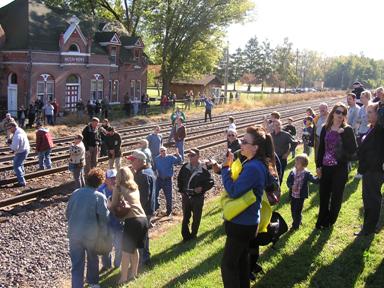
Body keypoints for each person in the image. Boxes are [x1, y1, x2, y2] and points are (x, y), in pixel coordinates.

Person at [220, 126, 272, 288]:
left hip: (241, 224)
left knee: (228, 265)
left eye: (244, 141)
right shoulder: (256, 164)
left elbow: (234, 191)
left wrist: (225, 169)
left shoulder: (253, 167)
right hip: (248, 222)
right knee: (242, 264)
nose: (241, 144)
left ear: (255, 147)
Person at [316, 103, 357, 229]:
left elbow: (353, 149)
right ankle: (321, 219)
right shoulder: (325, 128)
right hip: (326, 167)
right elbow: (321, 148)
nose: (340, 115)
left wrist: (342, 134)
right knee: (324, 195)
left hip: (340, 168)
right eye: (338, 112)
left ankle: (330, 220)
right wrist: (318, 166)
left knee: (336, 196)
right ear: (333, 113)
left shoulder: (347, 129)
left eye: (343, 113)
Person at [66, 167, 109, 288]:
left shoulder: (76, 193)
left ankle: (76, 285)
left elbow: (68, 213)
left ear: (87, 179)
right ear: (100, 182)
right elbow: (104, 219)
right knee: (92, 260)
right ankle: (93, 283)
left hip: (74, 234)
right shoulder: (99, 197)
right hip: (91, 236)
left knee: (77, 264)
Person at [110, 167, 148, 284]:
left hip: (132, 221)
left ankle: (123, 278)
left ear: (119, 177)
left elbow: (114, 205)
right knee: (134, 249)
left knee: (126, 251)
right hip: (143, 219)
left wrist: (108, 204)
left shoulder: (118, 187)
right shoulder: (135, 187)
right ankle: (133, 274)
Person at [355, 103, 384, 236]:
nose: (367, 115)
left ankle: (370, 228)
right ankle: (368, 226)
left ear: (379, 114)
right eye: (367, 112)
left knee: (372, 198)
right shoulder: (371, 128)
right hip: (368, 169)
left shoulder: (380, 130)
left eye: (371, 112)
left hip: (375, 169)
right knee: (367, 198)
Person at [126, 150, 156, 266]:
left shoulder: (142, 175)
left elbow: (143, 197)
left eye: (133, 160)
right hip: (148, 209)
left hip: (142, 211)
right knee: (144, 235)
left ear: (139, 161)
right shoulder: (149, 171)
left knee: (141, 236)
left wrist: (134, 210)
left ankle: (142, 260)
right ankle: (145, 258)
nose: (131, 163)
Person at [177, 148, 214, 241]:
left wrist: (202, 188)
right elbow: (179, 179)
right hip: (186, 196)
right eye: (189, 155)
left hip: (197, 197)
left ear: (198, 156)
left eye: (192, 155)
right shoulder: (185, 167)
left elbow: (210, 182)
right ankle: (185, 236)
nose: (190, 157)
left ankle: (193, 235)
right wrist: (181, 190)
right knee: (186, 217)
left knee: (196, 217)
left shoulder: (203, 169)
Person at [98, 169, 123, 270]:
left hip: (118, 222)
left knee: (119, 245)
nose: (113, 180)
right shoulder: (100, 190)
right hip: (106, 223)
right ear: (106, 180)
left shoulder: (121, 188)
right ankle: (106, 265)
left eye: (115, 178)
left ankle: (117, 264)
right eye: (111, 178)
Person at [286, 154, 319, 230]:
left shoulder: (306, 174)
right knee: (293, 209)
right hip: (293, 195)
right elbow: (288, 182)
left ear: (303, 165)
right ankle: (298, 220)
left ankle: (295, 226)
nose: (295, 165)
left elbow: (314, 180)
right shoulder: (292, 172)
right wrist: (291, 186)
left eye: (297, 164)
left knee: (297, 210)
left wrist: (319, 176)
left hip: (301, 196)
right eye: (295, 163)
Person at [154, 146, 182, 216]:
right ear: (159, 152)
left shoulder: (170, 157)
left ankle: (169, 211)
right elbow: (154, 167)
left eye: (164, 151)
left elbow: (179, 161)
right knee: (154, 194)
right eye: (161, 151)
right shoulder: (156, 159)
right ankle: (156, 207)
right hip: (159, 179)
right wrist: (155, 172)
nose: (163, 152)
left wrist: (178, 155)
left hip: (167, 180)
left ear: (166, 151)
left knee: (168, 196)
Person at [6, 122, 30, 187]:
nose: (9, 130)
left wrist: (9, 144)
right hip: (25, 149)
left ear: (13, 127)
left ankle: (22, 181)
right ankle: (22, 174)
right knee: (20, 163)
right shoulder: (20, 130)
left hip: (21, 152)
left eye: (9, 128)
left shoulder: (17, 135)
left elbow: (14, 148)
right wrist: (10, 138)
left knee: (16, 165)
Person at [355, 90, 371, 179]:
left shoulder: (371, 107)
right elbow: (358, 120)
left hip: (369, 132)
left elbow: (370, 120)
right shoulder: (361, 108)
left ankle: (365, 170)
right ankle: (361, 171)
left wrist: (363, 120)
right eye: (360, 97)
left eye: (362, 97)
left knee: (367, 153)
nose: (361, 99)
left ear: (368, 98)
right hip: (361, 132)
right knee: (361, 152)